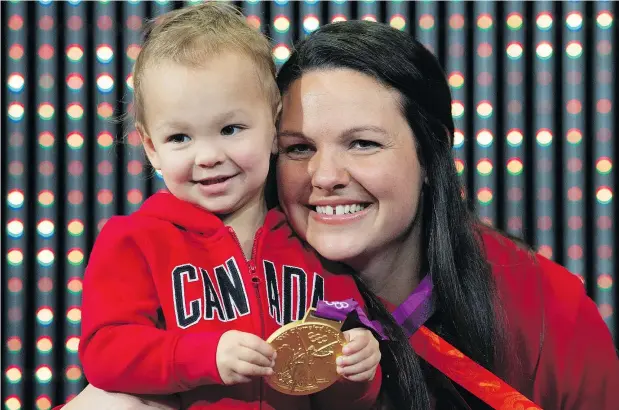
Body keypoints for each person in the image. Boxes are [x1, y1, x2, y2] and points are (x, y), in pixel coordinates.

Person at [58, 19, 619, 410]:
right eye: (300, 147)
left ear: (430, 155)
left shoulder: (548, 312)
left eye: (363, 144)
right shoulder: (186, 253)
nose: (325, 176)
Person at [75, 5, 381, 410]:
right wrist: (205, 356)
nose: (207, 156)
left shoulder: (315, 240)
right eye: (180, 137)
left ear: (274, 128)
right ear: (151, 148)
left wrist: (357, 369)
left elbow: (338, 397)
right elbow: (105, 352)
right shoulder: (135, 240)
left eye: (230, 129)